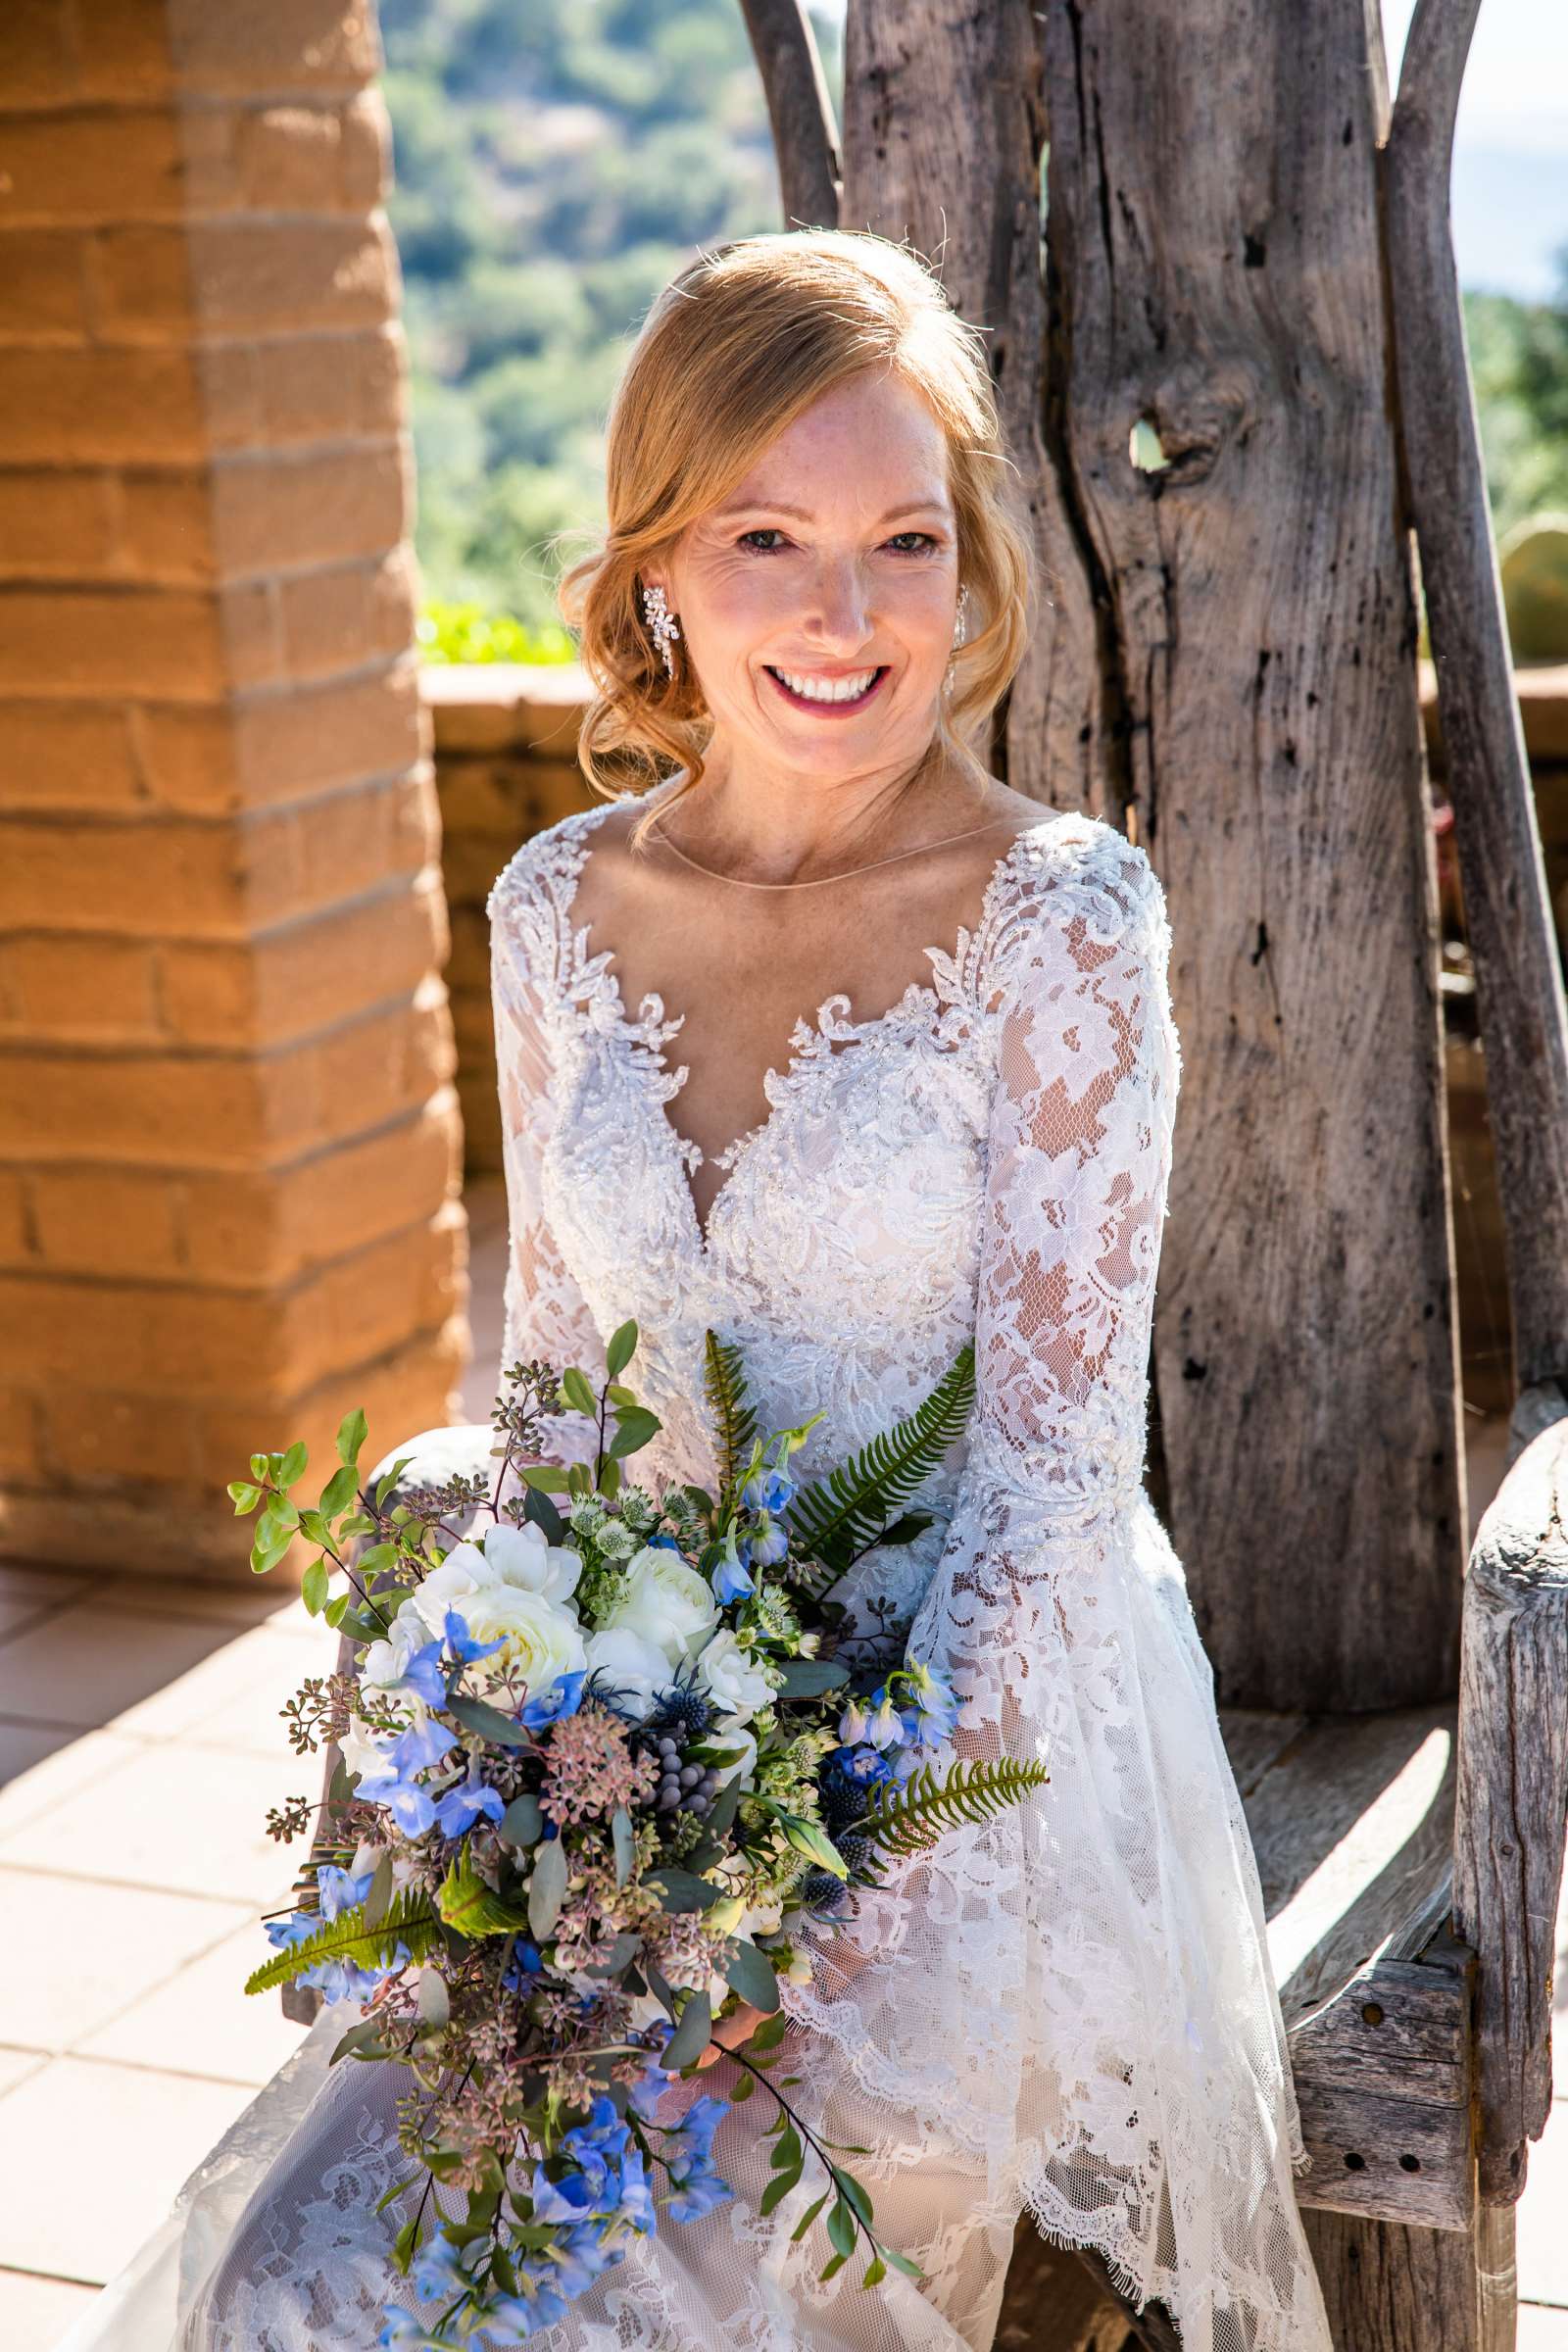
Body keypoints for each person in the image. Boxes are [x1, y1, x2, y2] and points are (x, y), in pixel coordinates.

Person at [72, 229, 1334, 2352]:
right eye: (768, 534)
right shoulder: (558, 906)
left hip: (980, 1773)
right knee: (304, 2276)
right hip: (646, 1756)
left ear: (966, 566)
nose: (846, 616)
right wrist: (531, 1790)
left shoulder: (1058, 926)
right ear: (658, 562)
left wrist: (826, 1919)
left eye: (900, 540)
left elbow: (1038, 1489)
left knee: (632, 2298)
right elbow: (560, 1409)